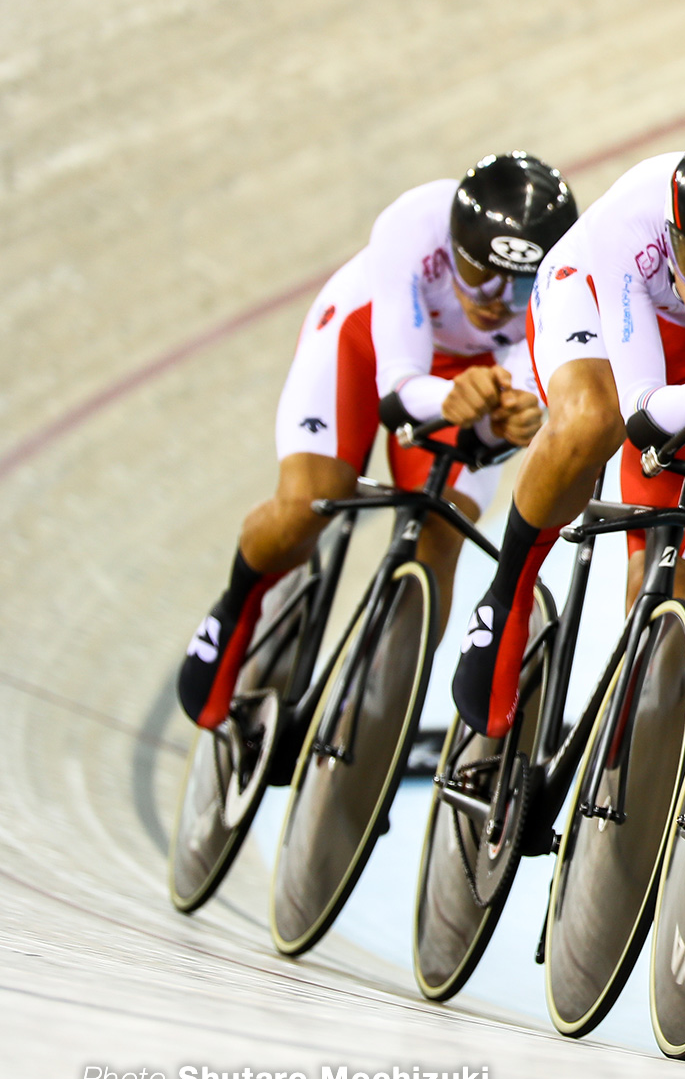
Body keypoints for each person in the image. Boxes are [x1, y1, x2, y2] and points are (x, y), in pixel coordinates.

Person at [451, 131, 685, 739]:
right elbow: (639, 415)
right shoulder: (632, 221)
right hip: (596, 301)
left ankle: (611, 755)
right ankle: (507, 598)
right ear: (673, 237)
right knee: (590, 420)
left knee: (666, 603)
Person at [176, 152, 575, 730]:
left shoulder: (564, 285)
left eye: (516, 289)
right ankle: (237, 604)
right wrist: (451, 398)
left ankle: (378, 725)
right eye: (478, 275)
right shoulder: (413, 225)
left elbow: (503, 426)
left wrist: (507, 423)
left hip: (474, 375)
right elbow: (397, 390)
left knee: (442, 531)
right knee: (310, 501)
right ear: (453, 248)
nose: (493, 300)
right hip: (366, 341)